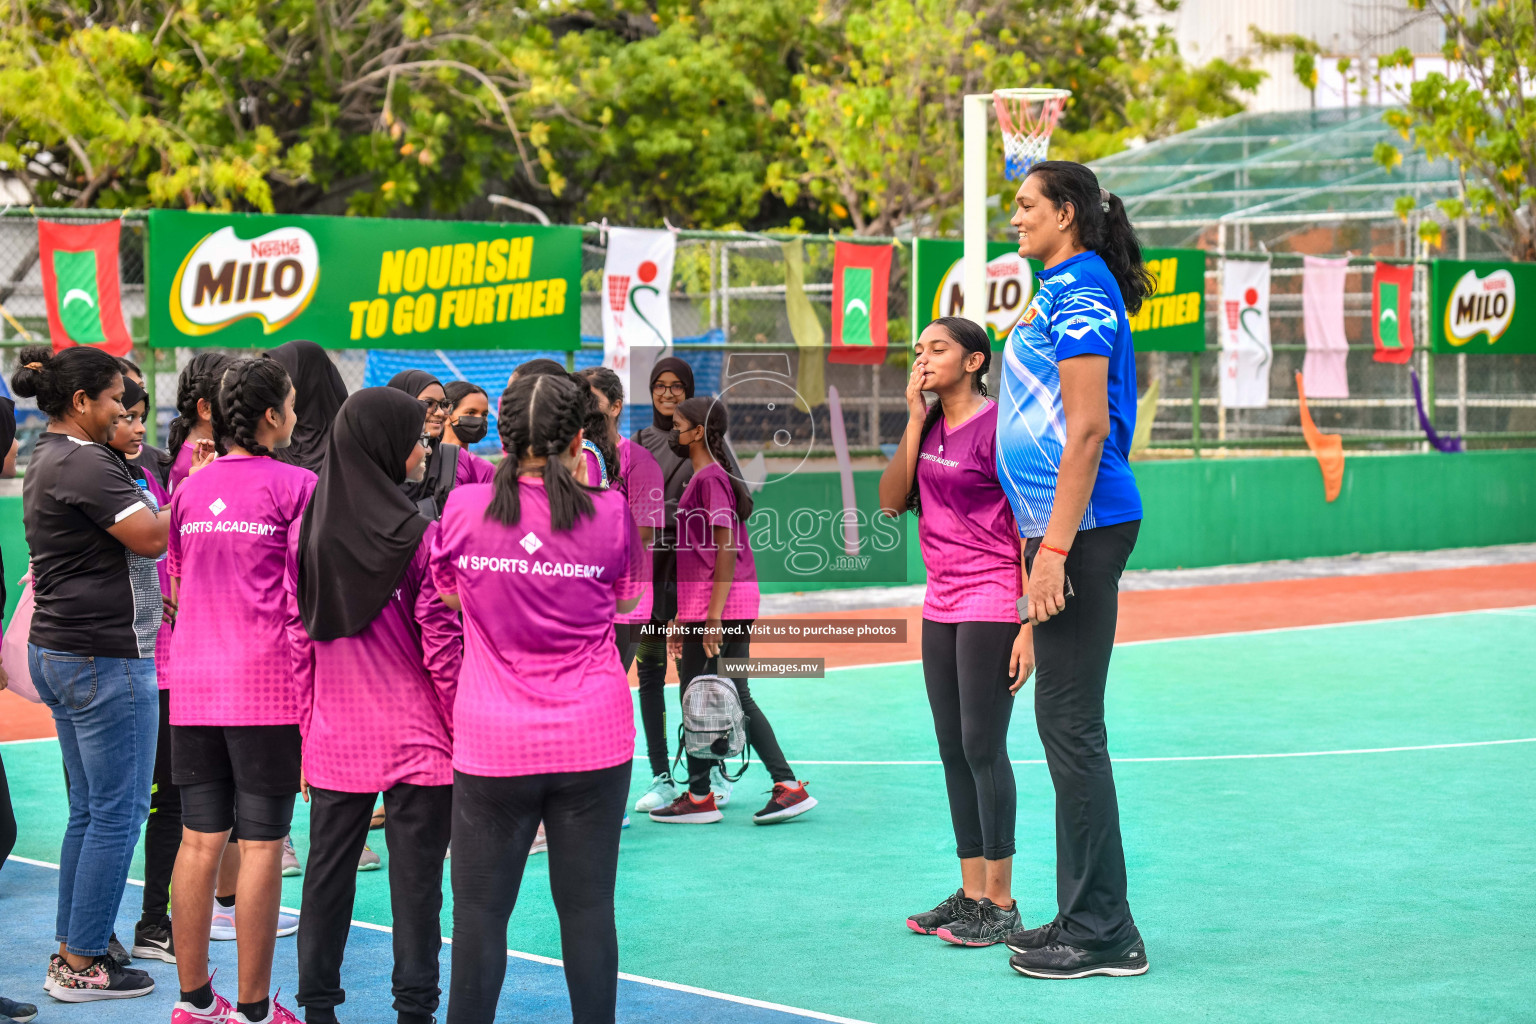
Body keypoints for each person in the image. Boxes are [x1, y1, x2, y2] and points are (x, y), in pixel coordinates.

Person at [432, 372, 644, 1024]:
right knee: (586, 908)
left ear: (501, 434)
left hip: (494, 742)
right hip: (594, 737)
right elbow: (628, 604)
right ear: (581, 435)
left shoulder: (464, 507)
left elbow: (447, 596)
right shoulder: (609, 511)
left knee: (479, 914)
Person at [994, 161, 1151, 980]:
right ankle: (1083, 910)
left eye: (1026, 206)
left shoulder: (1081, 290)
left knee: (1071, 727)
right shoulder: (1062, 289)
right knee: (1062, 727)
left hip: (1081, 529)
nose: (1013, 218)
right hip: (1057, 531)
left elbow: (1086, 431)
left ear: (1066, 214)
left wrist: (1052, 552)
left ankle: (1104, 932)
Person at [292, 388, 462, 1024]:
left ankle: (318, 1010)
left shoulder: (306, 538)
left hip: (337, 742)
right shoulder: (422, 539)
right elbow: (442, 652)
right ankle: (415, 1013)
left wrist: (308, 736)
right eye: (417, 437)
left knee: (326, 881)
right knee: (418, 891)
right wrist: (458, 729)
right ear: (387, 446)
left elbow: (297, 647)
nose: (425, 448)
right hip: (421, 743)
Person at [13, 345, 166, 1000]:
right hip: (103, 657)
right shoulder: (83, 461)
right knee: (117, 812)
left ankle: (79, 945)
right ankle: (81, 964)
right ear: (81, 403)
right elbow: (152, 538)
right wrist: (199, 496)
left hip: (68, 651)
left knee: (91, 811)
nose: (123, 412)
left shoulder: (51, 455)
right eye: (114, 401)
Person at [166, 356, 315, 1024]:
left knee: (199, 841)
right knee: (259, 846)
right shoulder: (298, 486)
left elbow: (174, 588)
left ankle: (194, 1003)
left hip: (192, 686)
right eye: (289, 403)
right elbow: (301, 601)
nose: (296, 414)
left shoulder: (191, 490)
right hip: (266, 689)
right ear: (270, 417)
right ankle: (255, 1012)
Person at [877, 317, 1030, 946]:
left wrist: (1029, 624)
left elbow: (1030, 523)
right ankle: (971, 893)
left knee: (982, 746)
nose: (923, 358)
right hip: (940, 602)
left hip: (993, 598)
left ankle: (1002, 901)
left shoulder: (1003, 426)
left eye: (937, 348)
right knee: (950, 749)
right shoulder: (930, 425)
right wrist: (912, 420)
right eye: (919, 350)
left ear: (974, 361)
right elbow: (890, 500)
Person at [648, 397, 815, 826]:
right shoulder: (706, 477)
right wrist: (688, 617)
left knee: (729, 694)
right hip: (706, 607)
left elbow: (726, 549)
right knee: (701, 697)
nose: (673, 431)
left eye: (679, 425)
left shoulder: (710, 479)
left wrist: (712, 617)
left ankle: (786, 786)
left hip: (720, 608)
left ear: (699, 431)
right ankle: (701, 793)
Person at [627, 358, 707, 812]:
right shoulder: (638, 441)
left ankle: (707, 769)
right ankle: (661, 775)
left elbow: (742, 501)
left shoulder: (704, 437)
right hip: (646, 574)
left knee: (695, 676)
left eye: (678, 386)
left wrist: (681, 516)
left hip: (689, 570)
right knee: (651, 669)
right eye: (660, 386)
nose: (668, 393)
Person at [267, 340, 348, 474]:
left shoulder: (346, 446)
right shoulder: (270, 438)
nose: (273, 388)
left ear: (310, 381)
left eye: (282, 380)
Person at [387, 370, 455, 519]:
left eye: (443, 405)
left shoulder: (454, 461)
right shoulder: (375, 461)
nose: (440, 413)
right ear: (401, 404)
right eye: (429, 404)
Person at [166, 352, 237, 491]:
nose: (240, 404)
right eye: (232, 397)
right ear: (206, 408)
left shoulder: (199, 451)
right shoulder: (197, 464)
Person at [440, 381, 498, 486]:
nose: (480, 419)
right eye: (471, 412)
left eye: (484, 414)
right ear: (446, 414)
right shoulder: (424, 462)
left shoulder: (487, 470)